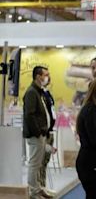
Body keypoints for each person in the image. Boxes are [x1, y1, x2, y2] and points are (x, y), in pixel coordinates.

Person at [23, 66, 53, 199]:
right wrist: (38, 132)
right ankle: (33, 192)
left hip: (42, 133)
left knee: (39, 164)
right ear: (38, 76)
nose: (47, 77)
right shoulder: (31, 92)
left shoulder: (39, 92)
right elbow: (29, 115)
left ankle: (39, 188)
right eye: (45, 74)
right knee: (34, 164)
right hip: (36, 135)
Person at [39, 75, 58, 197]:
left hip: (50, 131)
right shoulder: (38, 95)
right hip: (43, 133)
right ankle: (39, 188)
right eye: (45, 76)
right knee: (40, 163)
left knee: (45, 162)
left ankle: (43, 186)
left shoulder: (47, 93)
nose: (48, 78)